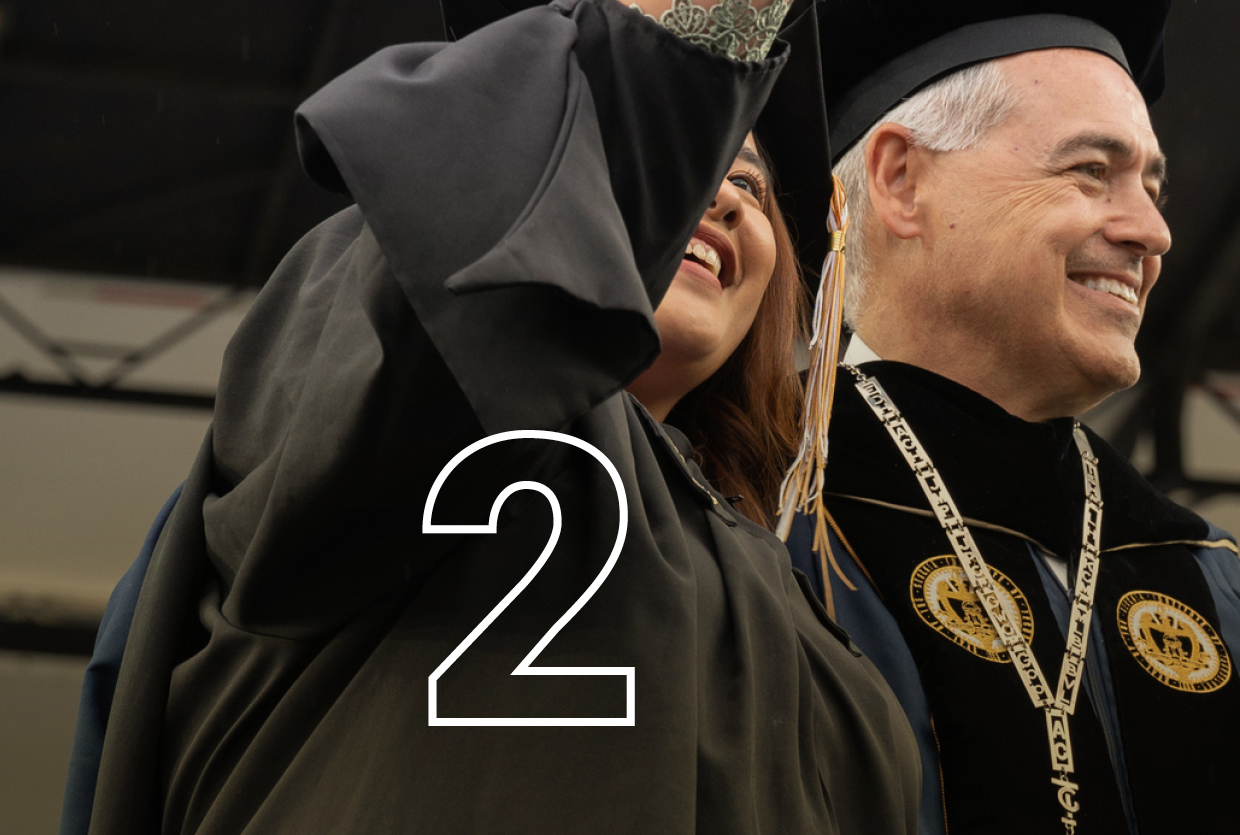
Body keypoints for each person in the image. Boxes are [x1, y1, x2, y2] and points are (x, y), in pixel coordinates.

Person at [66, 2, 927, 833]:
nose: (725, 197)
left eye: (750, 181)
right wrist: (706, 38)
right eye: (690, 158)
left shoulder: (824, 643)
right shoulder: (412, 375)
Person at [774, 2, 1240, 833]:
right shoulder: (760, 510)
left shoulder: (1211, 585)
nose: (1152, 231)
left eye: (1152, 186)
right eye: (1091, 172)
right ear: (900, 182)